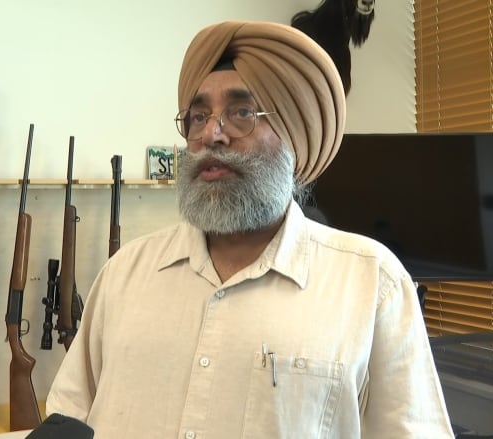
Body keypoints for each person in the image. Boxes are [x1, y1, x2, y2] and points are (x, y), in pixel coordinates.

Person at [46, 20, 454, 438]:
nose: (211, 134)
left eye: (241, 113)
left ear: (296, 136)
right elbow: (68, 414)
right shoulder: (125, 274)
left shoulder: (372, 284)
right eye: (198, 115)